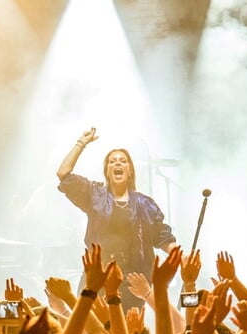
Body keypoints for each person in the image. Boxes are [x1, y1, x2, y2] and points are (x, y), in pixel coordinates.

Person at [56, 127, 177, 310]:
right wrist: (82, 143)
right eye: (112, 161)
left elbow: (162, 237)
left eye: (123, 161)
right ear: (107, 171)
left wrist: (181, 257)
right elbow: (63, 174)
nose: (117, 163)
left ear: (130, 171)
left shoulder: (145, 203)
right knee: (93, 327)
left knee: (128, 330)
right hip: (99, 274)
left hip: (133, 278)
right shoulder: (94, 195)